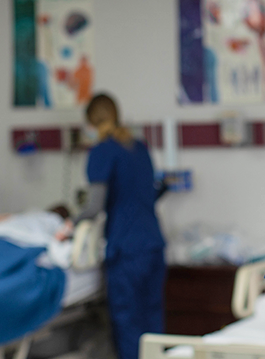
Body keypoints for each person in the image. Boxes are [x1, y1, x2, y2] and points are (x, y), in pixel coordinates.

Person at [66, 93, 166, 359]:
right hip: (153, 244)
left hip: (127, 249)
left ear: (91, 121)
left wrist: (68, 223)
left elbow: (94, 207)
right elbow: (151, 192)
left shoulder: (101, 151)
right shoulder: (139, 147)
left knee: (129, 321)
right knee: (152, 318)